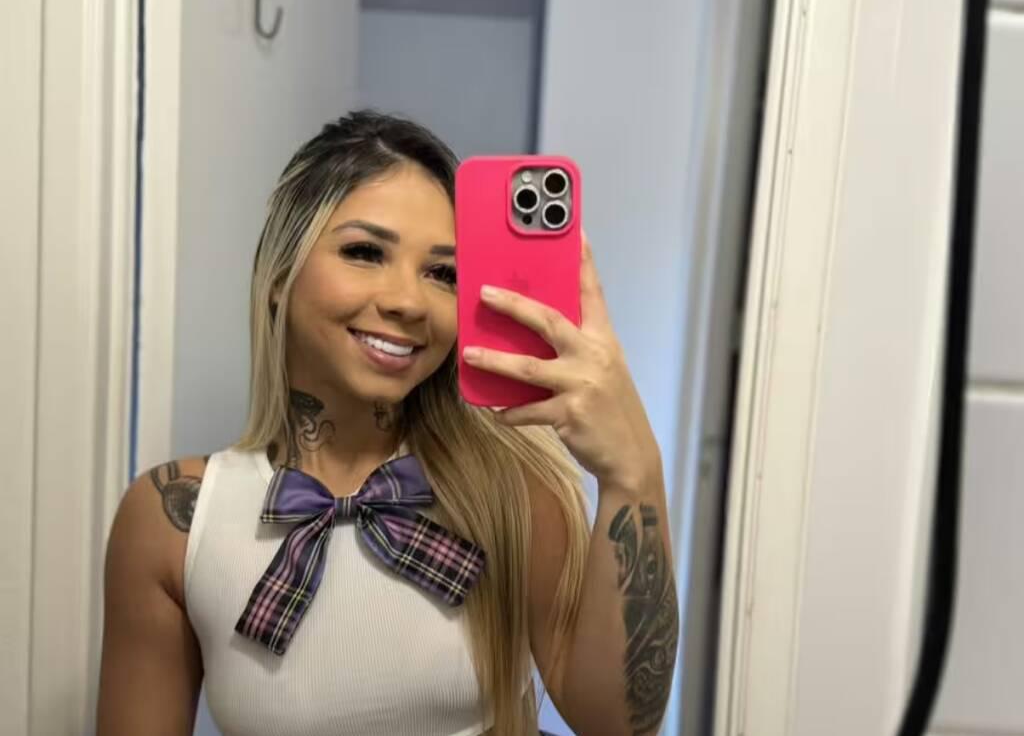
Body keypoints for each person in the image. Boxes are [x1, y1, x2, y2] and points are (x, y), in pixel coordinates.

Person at [96, 110, 679, 736]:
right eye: (365, 252)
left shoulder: (512, 495)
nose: (407, 301)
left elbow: (620, 725)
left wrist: (634, 474)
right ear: (279, 276)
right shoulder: (174, 521)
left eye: (443, 273)